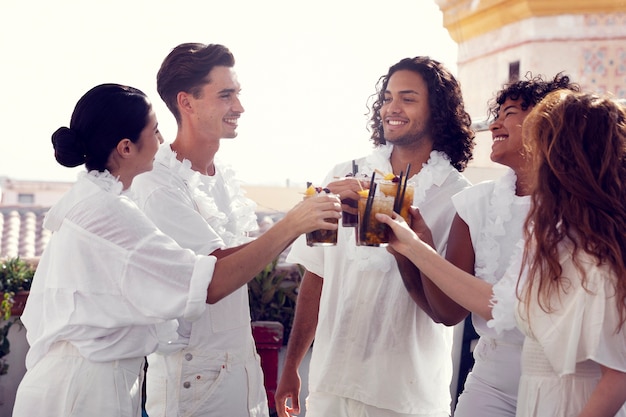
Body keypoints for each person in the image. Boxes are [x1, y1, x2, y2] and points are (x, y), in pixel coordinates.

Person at [12, 83, 341, 417]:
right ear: (126, 147)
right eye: (154, 131)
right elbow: (209, 283)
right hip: (84, 390)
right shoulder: (109, 213)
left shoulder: (91, 203)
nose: (160, 142)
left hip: (76, 382)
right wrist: (293, 223)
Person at [377, 90, 626, 417]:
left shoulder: (598, 244)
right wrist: (411, 247)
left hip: (572, 399)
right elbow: (503, 303)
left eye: (543, 139)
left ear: (570, 156)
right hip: (525, 394)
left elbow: (618, 371)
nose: (535, 152)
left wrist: (414, 248)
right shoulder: (549, 233)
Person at [275, 56, 475, 417]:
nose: (391, 108)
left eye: (408, 98)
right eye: (386, 98)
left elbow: (449, 307)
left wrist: (410, 247)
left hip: (405, 396)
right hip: (330, 386)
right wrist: (291, 366)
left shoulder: (459, 196)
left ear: (438, 112)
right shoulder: (341, 175)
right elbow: (315, 277)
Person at [401, 73, 578, 417]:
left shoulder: (583, 209)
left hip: (568, 382)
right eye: (497, 114)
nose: (495, 124)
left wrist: (415, 248)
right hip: (491, 381)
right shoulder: (473, 205)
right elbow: (449, 312)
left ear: (547, 120)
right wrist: (414, 247)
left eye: (509, 113)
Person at [130, 42, 279, 417]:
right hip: (193, 382)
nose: (240, 108)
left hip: (242, 374)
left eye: (238, 94)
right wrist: (296, 222)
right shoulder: (157, 183)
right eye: (226, 95)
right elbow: (212, 279)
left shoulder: (223, 178)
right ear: (187, 102)